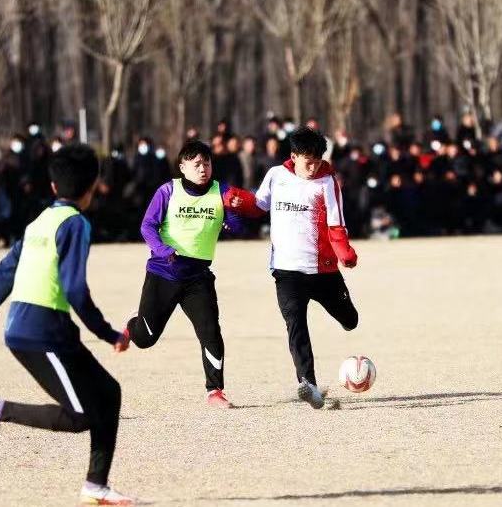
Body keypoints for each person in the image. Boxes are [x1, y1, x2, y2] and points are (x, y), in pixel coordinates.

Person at [0, 145, 134, 505]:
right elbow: (75, 289)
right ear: (92, 187)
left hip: (38, 328)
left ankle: (96, 486)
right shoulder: (76, 223)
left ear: (53, 186)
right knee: (81, 414)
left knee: (109, 393)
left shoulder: (39, 222)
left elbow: (4, 272)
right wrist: (108, 333)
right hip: (42, 331)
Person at [124, 140, 251, 408]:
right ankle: (132, 324)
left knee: (210, 331)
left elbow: (238, 228)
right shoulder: (168, 190)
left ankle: (215, 391)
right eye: (197, 164)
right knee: (145, 339)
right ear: (182, 167)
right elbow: (147, 226)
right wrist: (162, 249)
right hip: (164, 273)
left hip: (198, 278)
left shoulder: (221, 191)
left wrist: (233, 213)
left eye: (207, 163)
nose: (203, 169)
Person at [246, 126, 360, 409]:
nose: (313, 167)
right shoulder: (276, 175)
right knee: (296, 325)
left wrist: (344, 253)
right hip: (286, 271)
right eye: (308, 161)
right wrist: (236, 201)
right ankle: (309, 384)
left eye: (318, 161)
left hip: (323, 271)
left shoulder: (327, 182)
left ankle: (345, 318)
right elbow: (258, 205)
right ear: (294, 156)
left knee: (350, 320)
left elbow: (337, 223)